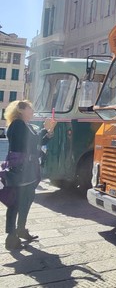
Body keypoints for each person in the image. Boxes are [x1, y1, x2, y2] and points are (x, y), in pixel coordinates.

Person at [3, 100, 56, 250]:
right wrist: (45, 129)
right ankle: (11, 237)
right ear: (20, 109)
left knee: (26, 199)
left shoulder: (26, 125)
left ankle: (21, 229)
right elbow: (32, 141)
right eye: (30, 108)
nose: (32, 111)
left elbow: (38, 142)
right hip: (21, 168)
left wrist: (49, 131)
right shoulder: (17, 124)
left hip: (28, 168)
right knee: (16, 202)